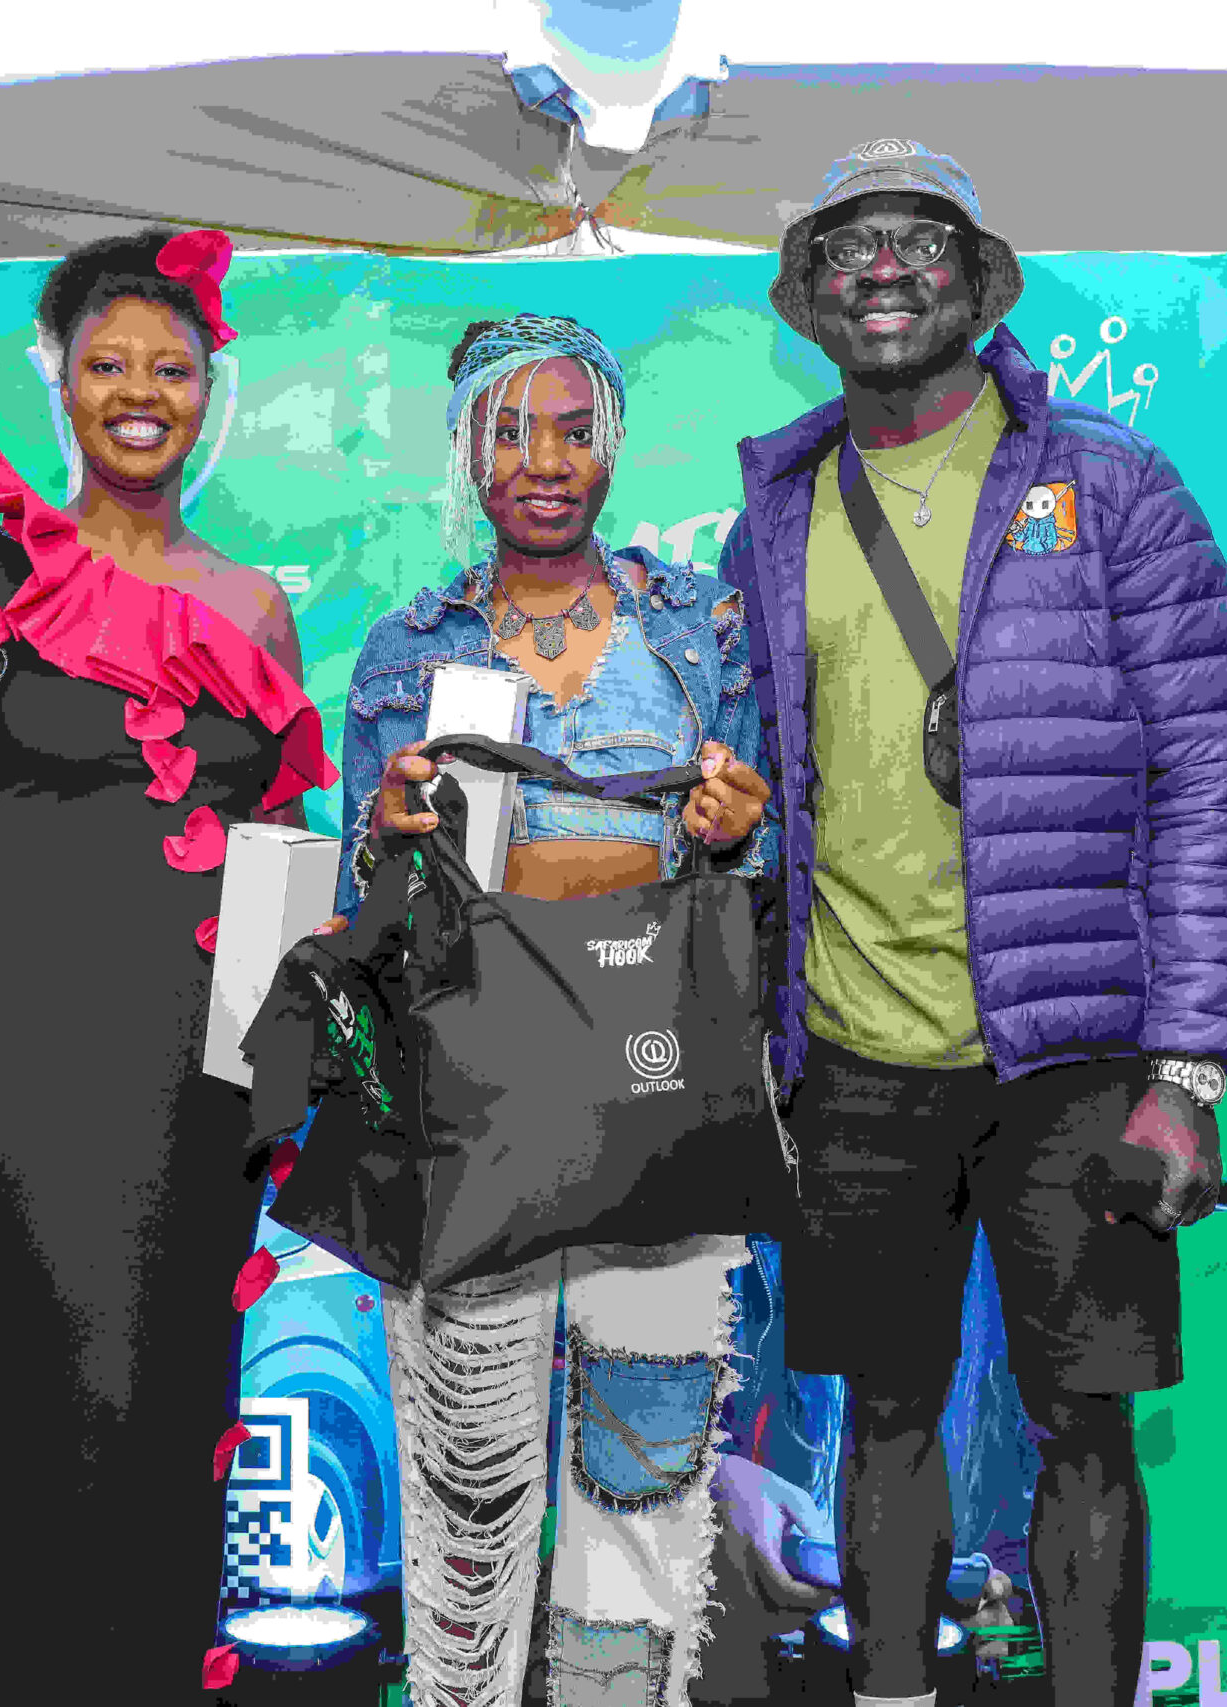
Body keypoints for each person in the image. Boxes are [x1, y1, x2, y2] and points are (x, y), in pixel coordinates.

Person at [717, 140, 1227, 1707]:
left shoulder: (1109, 483)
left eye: (917, 241)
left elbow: (1215, 766)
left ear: (987, 281)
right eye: (846, 248)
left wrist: (1189, 1074)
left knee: (1081, 1421)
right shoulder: (779, 501)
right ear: (804, 300)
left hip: (1076, 1050)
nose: (881, 270)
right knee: (883, 1413)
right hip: (857, 1049)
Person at [0, 227, 335, 1705]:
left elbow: (274, 846)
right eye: (108, 365)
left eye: (172, 366)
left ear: (211, 387)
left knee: (180, 1428)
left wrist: (279, 1073)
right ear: (59, 383)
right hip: (27, 1082)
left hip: (205, 1089)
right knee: (64, 1433)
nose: (140, 392)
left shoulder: (251, 605)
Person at [319, 312, 806, 1707]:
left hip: (661, 1095)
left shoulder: (696, 626)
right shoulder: (405, 651)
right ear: (470, 452)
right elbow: (367, 913)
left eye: (575, 429)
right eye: (512, 430)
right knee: (468, 1498)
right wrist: (389, 829)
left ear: (613, 446)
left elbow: (758, 870)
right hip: (473, 1109)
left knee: (644, 1481)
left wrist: (734, 827)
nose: (547, 461)